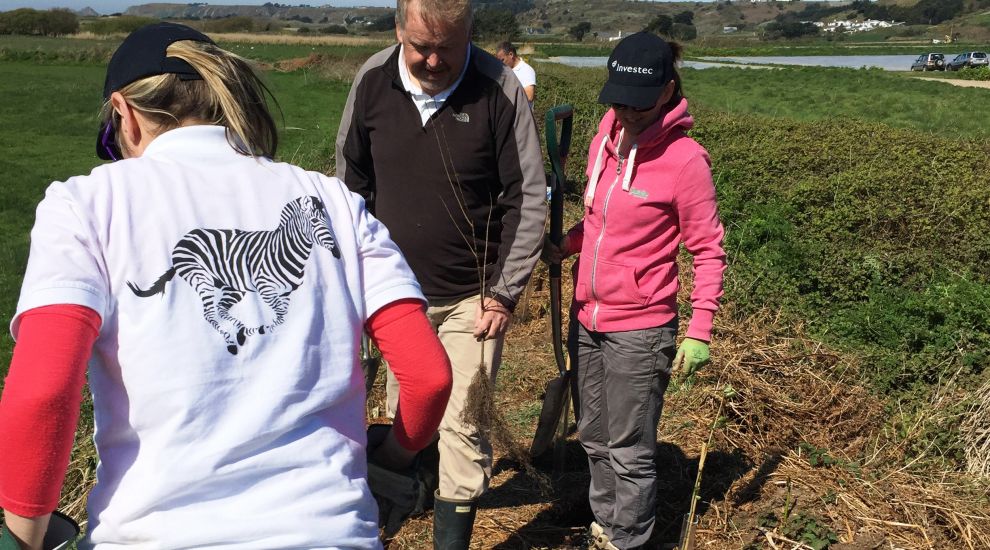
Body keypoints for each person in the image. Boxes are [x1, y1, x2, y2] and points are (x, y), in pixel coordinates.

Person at [0, 22, 452, 549]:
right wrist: (393, 457)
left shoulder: (84, 205)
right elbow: (427, 376)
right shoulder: (335, 203)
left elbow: (45, 390)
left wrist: (22, 539)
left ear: (124, 114)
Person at [335, 0, 546, 547]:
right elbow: (349, 186)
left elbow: (528, 199)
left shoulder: (497, 89)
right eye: (420, 47)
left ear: (469, 33)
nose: (432, 60)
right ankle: (399, 516)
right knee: (409, 417)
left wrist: (502, 294)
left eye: (446, 49)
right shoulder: (373, 80)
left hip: (471, 298)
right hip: (392, 296)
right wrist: (355, 279)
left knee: (463, 427)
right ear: (398, 29)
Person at [543, 32, 727, 550]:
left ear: (667, 91)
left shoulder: (686, 161)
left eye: (638, 102)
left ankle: (630, 540)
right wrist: (571, 243)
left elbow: (708, 250)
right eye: (618, 98)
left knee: (629, 448)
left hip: (642, 329)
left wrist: (700, 328)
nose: (626, 111)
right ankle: (606, 524)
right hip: (588, 318)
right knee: (595, 438)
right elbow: (601, 218)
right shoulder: (607, 133)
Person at [495, 41, 536, 108]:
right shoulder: (505, 69)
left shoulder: (526, 70)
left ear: (511, 55)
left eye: (502, 60)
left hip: (522, 116)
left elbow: (529, 96)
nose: (501, 64)